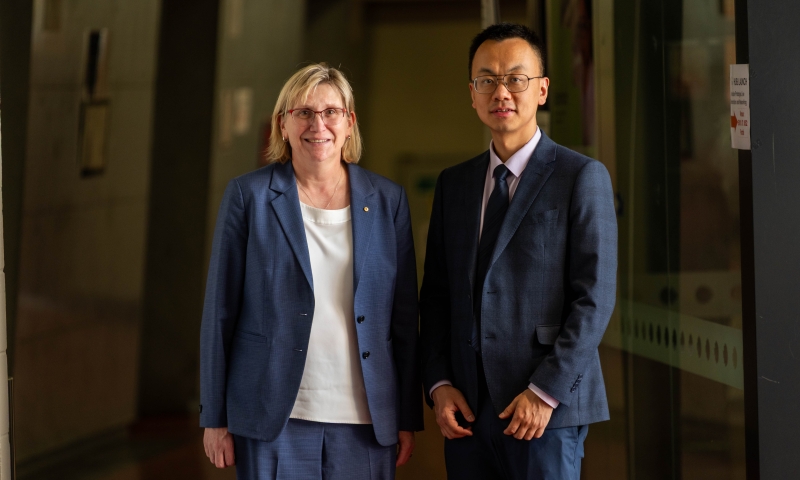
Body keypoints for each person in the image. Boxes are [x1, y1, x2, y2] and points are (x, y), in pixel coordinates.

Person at [199, 63, 423, 479]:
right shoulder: (248, 197)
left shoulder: (388, 200)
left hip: (366, 421)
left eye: (331, 112)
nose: (317, 125)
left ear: (349, 122)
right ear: (282, 125)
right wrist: (214, 416)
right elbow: (219, 314)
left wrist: (406, 416)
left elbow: (404, 319)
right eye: (303, 112)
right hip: (273, 417)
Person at [419, 23, 617, 480]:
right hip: (467, 409)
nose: (501, 91)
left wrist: (545, 391)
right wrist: (440, 383)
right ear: (472, 94)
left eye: (516, 78)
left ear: (542, 89)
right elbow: (437, 294)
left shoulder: (581, 176)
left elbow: (595, 298)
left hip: (545, 409)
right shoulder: (455, 185)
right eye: (486, 80)